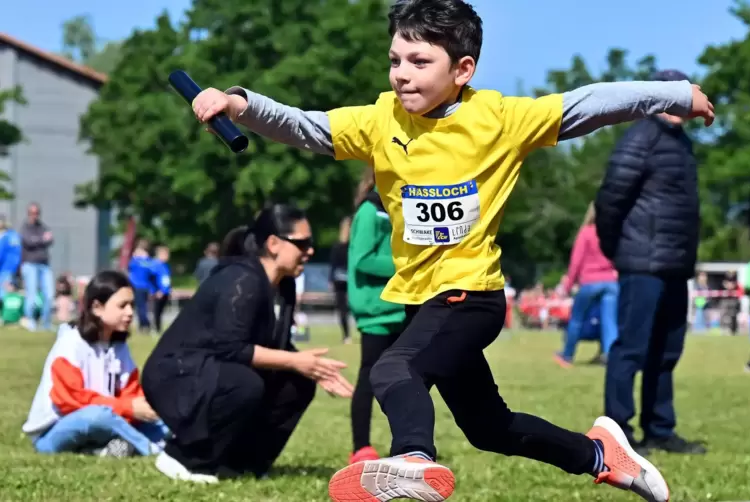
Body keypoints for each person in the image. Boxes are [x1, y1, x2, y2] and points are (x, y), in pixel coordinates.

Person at [189, 0, 715, 498]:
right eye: (395, 59)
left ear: (462, 69)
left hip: (471, 295)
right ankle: (601, 456)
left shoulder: (500, 119)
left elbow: (591, 102)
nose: (402, 73)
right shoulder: (381, 119)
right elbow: (306, 126)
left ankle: (414, 460)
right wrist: (240, 102)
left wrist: (675, 95)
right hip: (422, 299)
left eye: (420, 61)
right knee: (491, 428)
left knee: (394, 370)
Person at [141, 204, 354, 483]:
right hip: (176, 375)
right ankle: (183, 457)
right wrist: (295, 360)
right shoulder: (242, 279)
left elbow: (271, 344)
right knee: (245, 383)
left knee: (297, 382)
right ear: (274, 244)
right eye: (302, 243)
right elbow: (231, 348)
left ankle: (242, 464)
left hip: (214, 369)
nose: (310, 250)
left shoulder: (284, 284)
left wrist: (309, 367)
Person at [595, 69, 708, 456]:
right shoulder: (639, 138)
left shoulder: (683, 143)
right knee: (631, 348)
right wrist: (618, 250)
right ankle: (618, 433)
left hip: (675, 266)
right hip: (641, 263)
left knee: (667, 350)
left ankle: (660, 430)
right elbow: (610, 201)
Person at [21, 270, 168, 457]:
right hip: (56, 431)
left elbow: (129, 393)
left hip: (105, 420)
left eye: (131, 305)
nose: (130, 312)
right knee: (98, 416)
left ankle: (104, 450)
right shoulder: (71, 343)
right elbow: (70, 401)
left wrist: (145, 409)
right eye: (122, 306)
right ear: (97, 307)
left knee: (162, 418)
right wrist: (128, 408)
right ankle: (150, 449)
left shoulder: (119, 347)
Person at [347, 167, 406, 464]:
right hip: (377, 311)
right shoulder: (370, 211)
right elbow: (363, 260)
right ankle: (361, 447)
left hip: (403, 307)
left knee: (409, 379)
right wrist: (408, 263)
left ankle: (410, 444)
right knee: (368, 377)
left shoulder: (401, 209)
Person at [555, 202, 618, 368]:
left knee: (576, 319)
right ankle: (611, 357)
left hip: (590, 282)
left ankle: (567, 355)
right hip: (611, 282)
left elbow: (576, 262)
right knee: (609, 322)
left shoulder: (587, 233)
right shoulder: (612, 234)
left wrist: (568, 286)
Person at [20, 202, 55, 331]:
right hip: (30, 265)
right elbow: (29, 242)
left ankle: (46, 323)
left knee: (49, 294)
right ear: (28, 213)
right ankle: (31, 321)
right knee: (32, 295)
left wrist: (40, 239)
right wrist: (42, 239)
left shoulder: (42, 227)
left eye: (37, 213)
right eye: (32, 213)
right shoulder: (25, 227)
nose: (35, 215)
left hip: (44, 265)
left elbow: (51, 239)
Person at [330, 217, 351, 343]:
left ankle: (346, 335)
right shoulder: (352, 246)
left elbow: (333, 265)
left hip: (338, 279)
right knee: (346, 308)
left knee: (342, 309)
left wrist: (331, 280)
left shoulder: (337, 246)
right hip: (347, 279)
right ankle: (347, 334)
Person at [128, 239, 154, 333]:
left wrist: (135, 257)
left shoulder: (136, 261)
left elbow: (129, 267)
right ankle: (143, 325)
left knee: (140, 307)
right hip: (146, 287)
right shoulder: (149, 261)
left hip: (137, 287)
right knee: (143, 307)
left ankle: (145, 324)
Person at [0, 214, 21, 300]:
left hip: (6, 269)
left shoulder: (6, 236)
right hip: (12, 269)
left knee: (3, 293)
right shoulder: (13, 235)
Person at [151, 245, 172, 332]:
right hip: (158, 293)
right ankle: (156, 328)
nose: (167, 256)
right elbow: (152, 279)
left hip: (165, 292)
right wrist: (156, 290)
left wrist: (168, 289)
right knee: (156, 311)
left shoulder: (166, 266)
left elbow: (166, 279)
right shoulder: (155, 265)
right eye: (166, 254)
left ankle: (158, 328)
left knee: (161, 311)